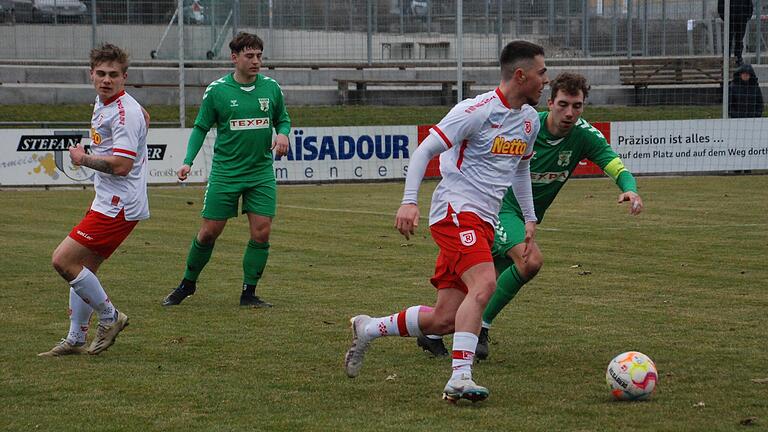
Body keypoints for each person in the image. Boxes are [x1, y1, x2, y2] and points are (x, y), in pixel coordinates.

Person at [343, 40, 548, 403]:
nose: (545, 80)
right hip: (455, 211)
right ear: (521, 74)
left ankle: (369, 327)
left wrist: (529, 218)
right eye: (541, 73)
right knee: (484, 284)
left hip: (483, 220)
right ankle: (460, 378)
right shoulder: (476, 110)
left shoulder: (530, 121)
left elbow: (521, 169)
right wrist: (409, 201)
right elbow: (424, 149)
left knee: (445, 320)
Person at [416, 72, 644, 361]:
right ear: (549, 102)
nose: (570, 113)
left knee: (478, 287)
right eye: (563, 104)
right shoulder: (524, 123)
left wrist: (630, 190)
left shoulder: (585, 135)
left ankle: (433, 331)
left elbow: (614, 164)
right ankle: (480, 329)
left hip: (525, 217)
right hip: (498, 208)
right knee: (529, 261)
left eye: (577, 106)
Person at [161, 32, 291, 307]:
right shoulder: (217, 90)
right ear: (235, 58)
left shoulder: (271, 88)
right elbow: (200, 128)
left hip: (260, 173)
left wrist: (283, 134)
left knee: (262, 232)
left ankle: (249, 293)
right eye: (249, 56)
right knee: (209, 232)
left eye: (259, 56)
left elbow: (283, 119)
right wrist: (188, 161)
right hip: (226, 173)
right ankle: (187, 283)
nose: (256, 61)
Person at [39, 44, 149, 357]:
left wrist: (82, 159)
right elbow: (145, 115)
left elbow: (122, 165)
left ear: (124, 77)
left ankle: (111, 317)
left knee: (63, 260)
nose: (106, 80)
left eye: (113, 75)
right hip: (110, 198)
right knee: (85, 267)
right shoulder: (106, 103)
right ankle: (75, 339)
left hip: (120, 204)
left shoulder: (123, 113)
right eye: (101, 73)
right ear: (91, 74)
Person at [718, 0, 754, 66]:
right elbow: (720, 5)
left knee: (739, 40)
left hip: (742, 18)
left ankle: (738, 58)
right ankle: (726, 58)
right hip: (730, 18)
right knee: (728, 39)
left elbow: (750, 4)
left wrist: (747, 16)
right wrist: (725, 17)